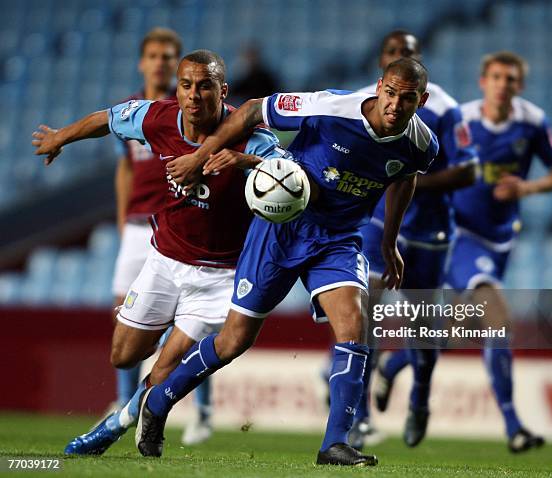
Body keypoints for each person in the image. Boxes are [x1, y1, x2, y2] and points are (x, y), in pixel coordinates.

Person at [134, 57, 439, 466]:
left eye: (406, 99)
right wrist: (200, 156)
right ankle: (159, 401)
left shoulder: (422, 144)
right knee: (234, 340)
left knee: (355, 325)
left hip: (338, 239)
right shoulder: (331, 107)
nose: (395, 105)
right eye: (390, 93)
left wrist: (389, 241)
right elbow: (251, 111)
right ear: (379, 85)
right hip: (283, 227)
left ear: (422, 100)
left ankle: (335, 442)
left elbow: (405, 175)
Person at [32, 49, 283, 455]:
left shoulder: (253, 136)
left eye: (205, 86)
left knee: (166, 367)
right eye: (186, 85)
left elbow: (291, 176)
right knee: (123, 356)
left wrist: (239, 162)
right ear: (177, 89)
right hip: (165, 262)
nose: (194, 95)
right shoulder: (157, 118)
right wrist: (61, 136)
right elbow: (107, 119)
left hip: (219, 276)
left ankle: (110, 428)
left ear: (223, 90)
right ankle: (165, 334)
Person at [347, 29, 479, 450]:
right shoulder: (362, 104)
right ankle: (359, 417)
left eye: (408, 52)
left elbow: (469, 170)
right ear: (381, 64)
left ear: (421, 61)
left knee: (422, 327)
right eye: (392, 53)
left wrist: (410, 181)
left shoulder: (445, 108)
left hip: (429, 232)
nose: (400, 56)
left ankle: (419, 398)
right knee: (362, 315)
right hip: (377, 226)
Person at [443, 51, 552, 452]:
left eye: (510, 79)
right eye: (496, 77)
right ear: (483, 82)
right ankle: (514, 426)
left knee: (461, 331)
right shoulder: (460, 120)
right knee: (498, 320)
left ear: (520, 86)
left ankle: (396, 365)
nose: (503, 84)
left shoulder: (532, 122)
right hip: (459, 235)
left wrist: (527, 188)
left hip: (501, 239)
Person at [107, 27, 212, 447]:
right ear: (142, 62)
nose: (161, 62)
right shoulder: (136, 113)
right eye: (153, 55)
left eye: (168, 56)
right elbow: (125, 168)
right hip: (137, 224)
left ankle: (200, 411)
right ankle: (124, 403)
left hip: (180, 222)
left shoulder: (187, 109)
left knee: (190, 324)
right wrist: (120, 220)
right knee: (124, 316)